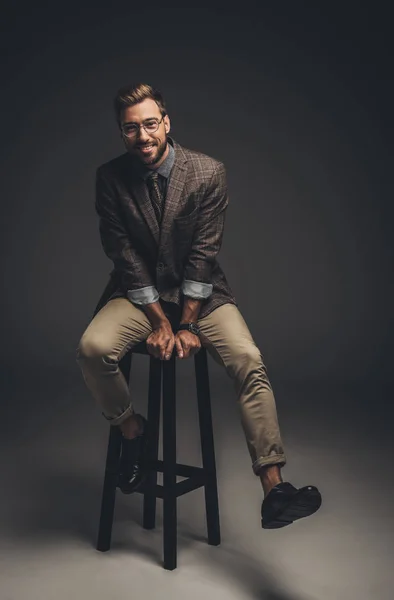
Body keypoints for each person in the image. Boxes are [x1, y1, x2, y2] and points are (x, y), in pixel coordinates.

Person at [76, 82, 322, 529]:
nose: (144, 136)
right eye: (131, 129)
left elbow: (203, 254)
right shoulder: (110, 179)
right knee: (93, 349)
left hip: (203, 295)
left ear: (167, 123)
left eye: (151, 124)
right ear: (121, 133)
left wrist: (186, 324)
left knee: (248, 359)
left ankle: (274, 487)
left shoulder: (208, 172)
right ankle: (133, 432)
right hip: (137, 295)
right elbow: (124, 256)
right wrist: (157, 321)